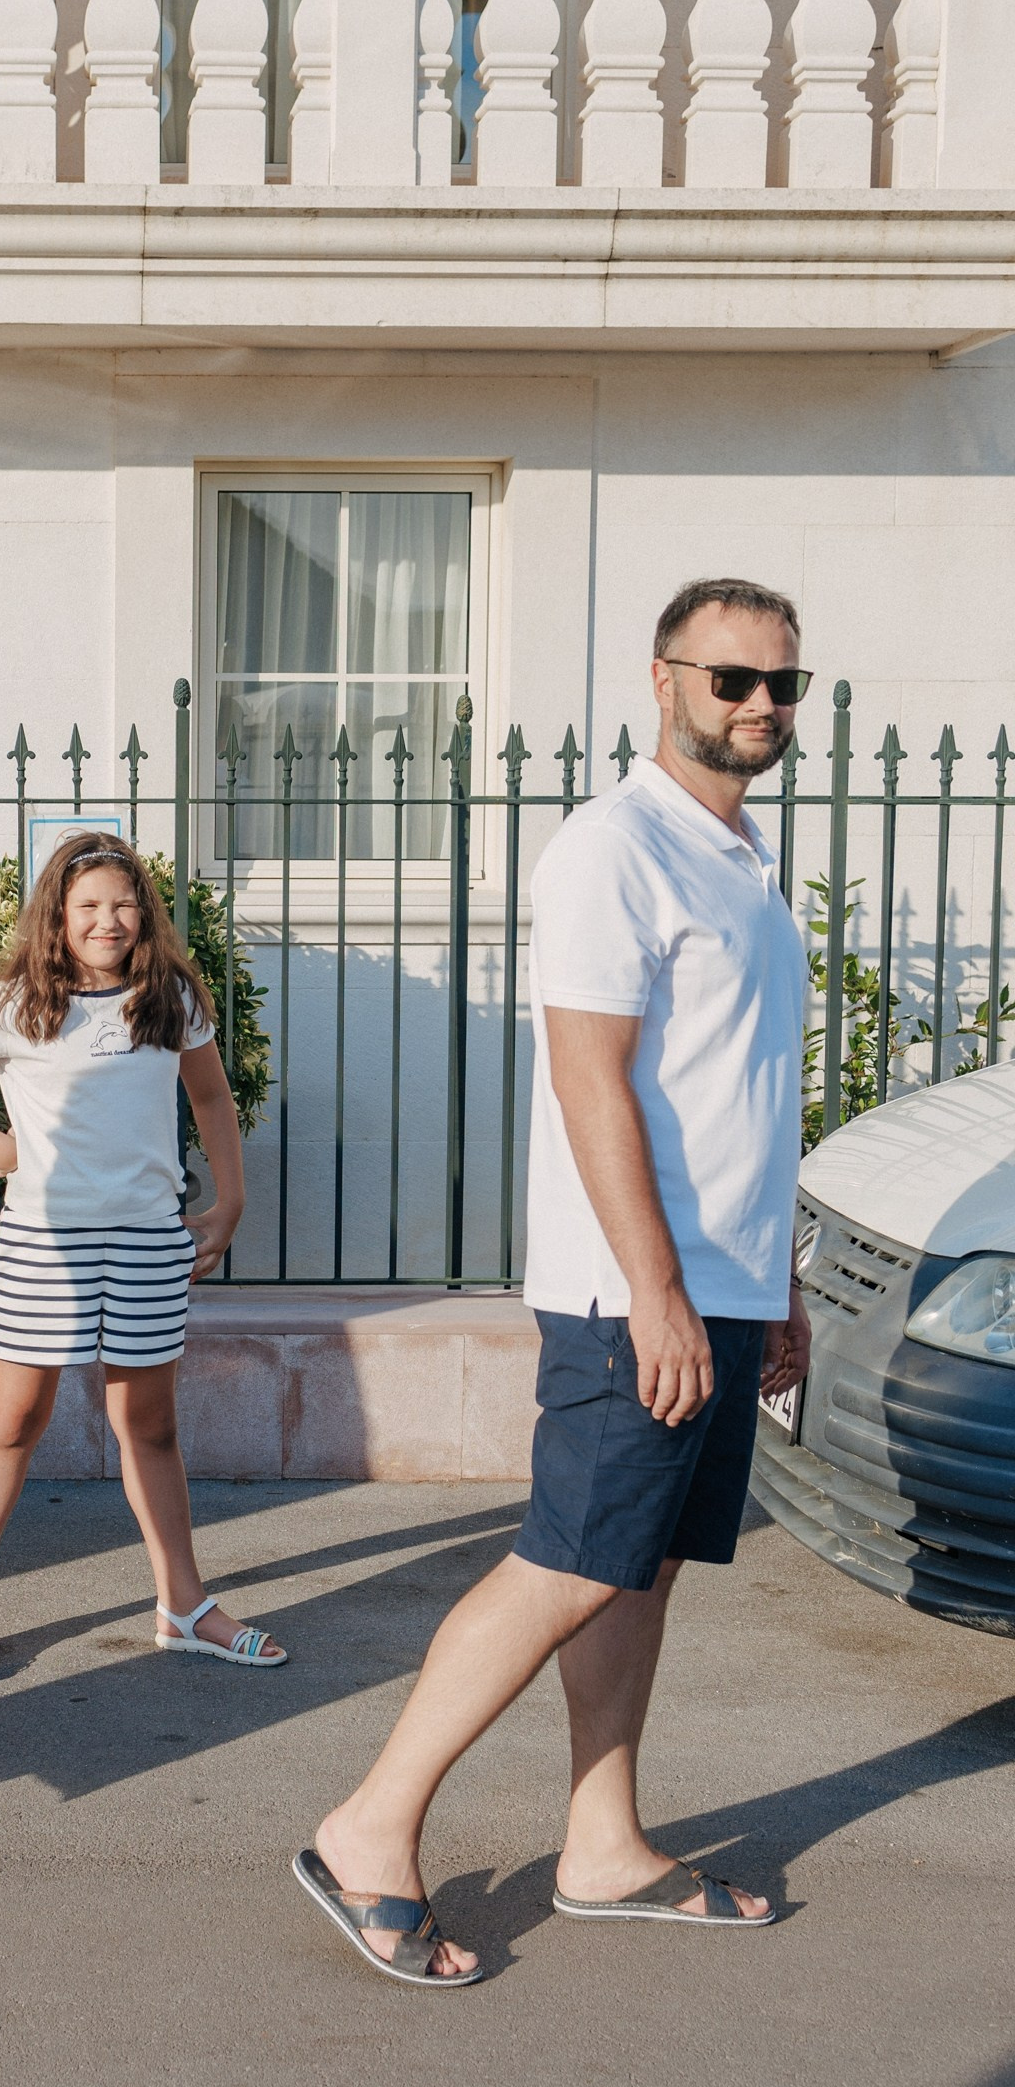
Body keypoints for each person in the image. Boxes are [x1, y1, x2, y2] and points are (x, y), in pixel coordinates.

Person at [296, 578, 813, 1986]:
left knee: (632, 1567)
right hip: (628, 1290)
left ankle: (604, 1847)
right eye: (732, 681)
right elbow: (591, 1079)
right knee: (568, 1562)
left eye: (784, 685)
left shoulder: (743, 858)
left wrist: (770, 1286)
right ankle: (369, 1828)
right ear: (663, 680)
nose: (761, 706)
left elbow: (733, 1095)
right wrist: (654, 1289)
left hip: (720, 1281)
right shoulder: (614, 847)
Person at [0, 832, 286, 1685]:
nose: (107, 920)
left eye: (122, 904)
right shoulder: (14, 1004)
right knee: (11, 1424)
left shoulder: (170, 998)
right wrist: (0, 1152)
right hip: (43, 1245)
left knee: (149, 1427)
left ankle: (182, 1607)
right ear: (58, 918)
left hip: (149, 1242)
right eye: (88, 907)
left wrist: (231, 1201)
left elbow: (212, 1096)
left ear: (143, 913)